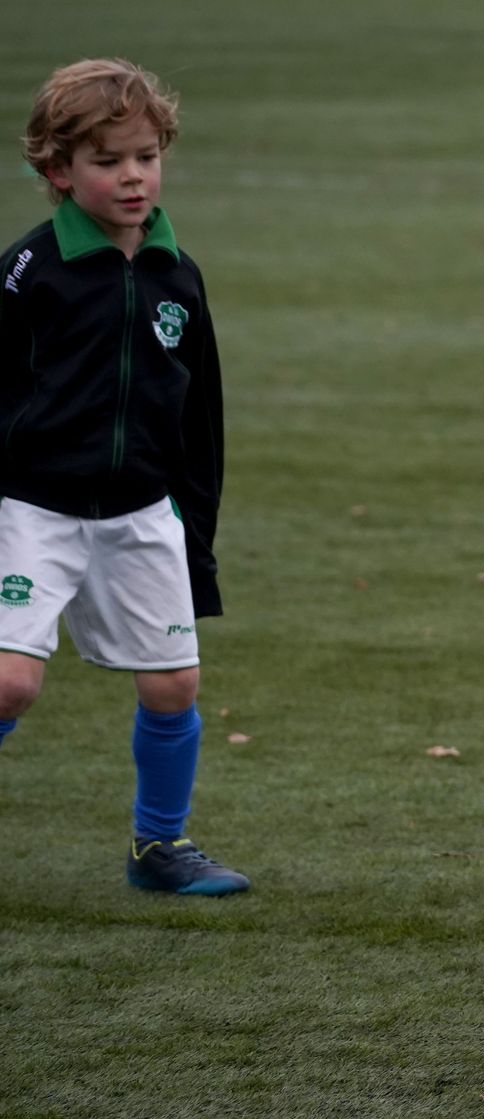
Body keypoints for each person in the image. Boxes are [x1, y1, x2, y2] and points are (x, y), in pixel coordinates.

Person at [0, 59, 246, 896]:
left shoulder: (179, 274)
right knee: (11, 679)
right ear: (58, 171)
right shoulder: (29, 273)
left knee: (175, 683)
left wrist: (196, 536)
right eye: (108, 162)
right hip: (32, 507)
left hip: (141, 511)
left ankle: (159, 849)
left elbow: (200, 417)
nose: (133, 176)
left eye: (145, 156)